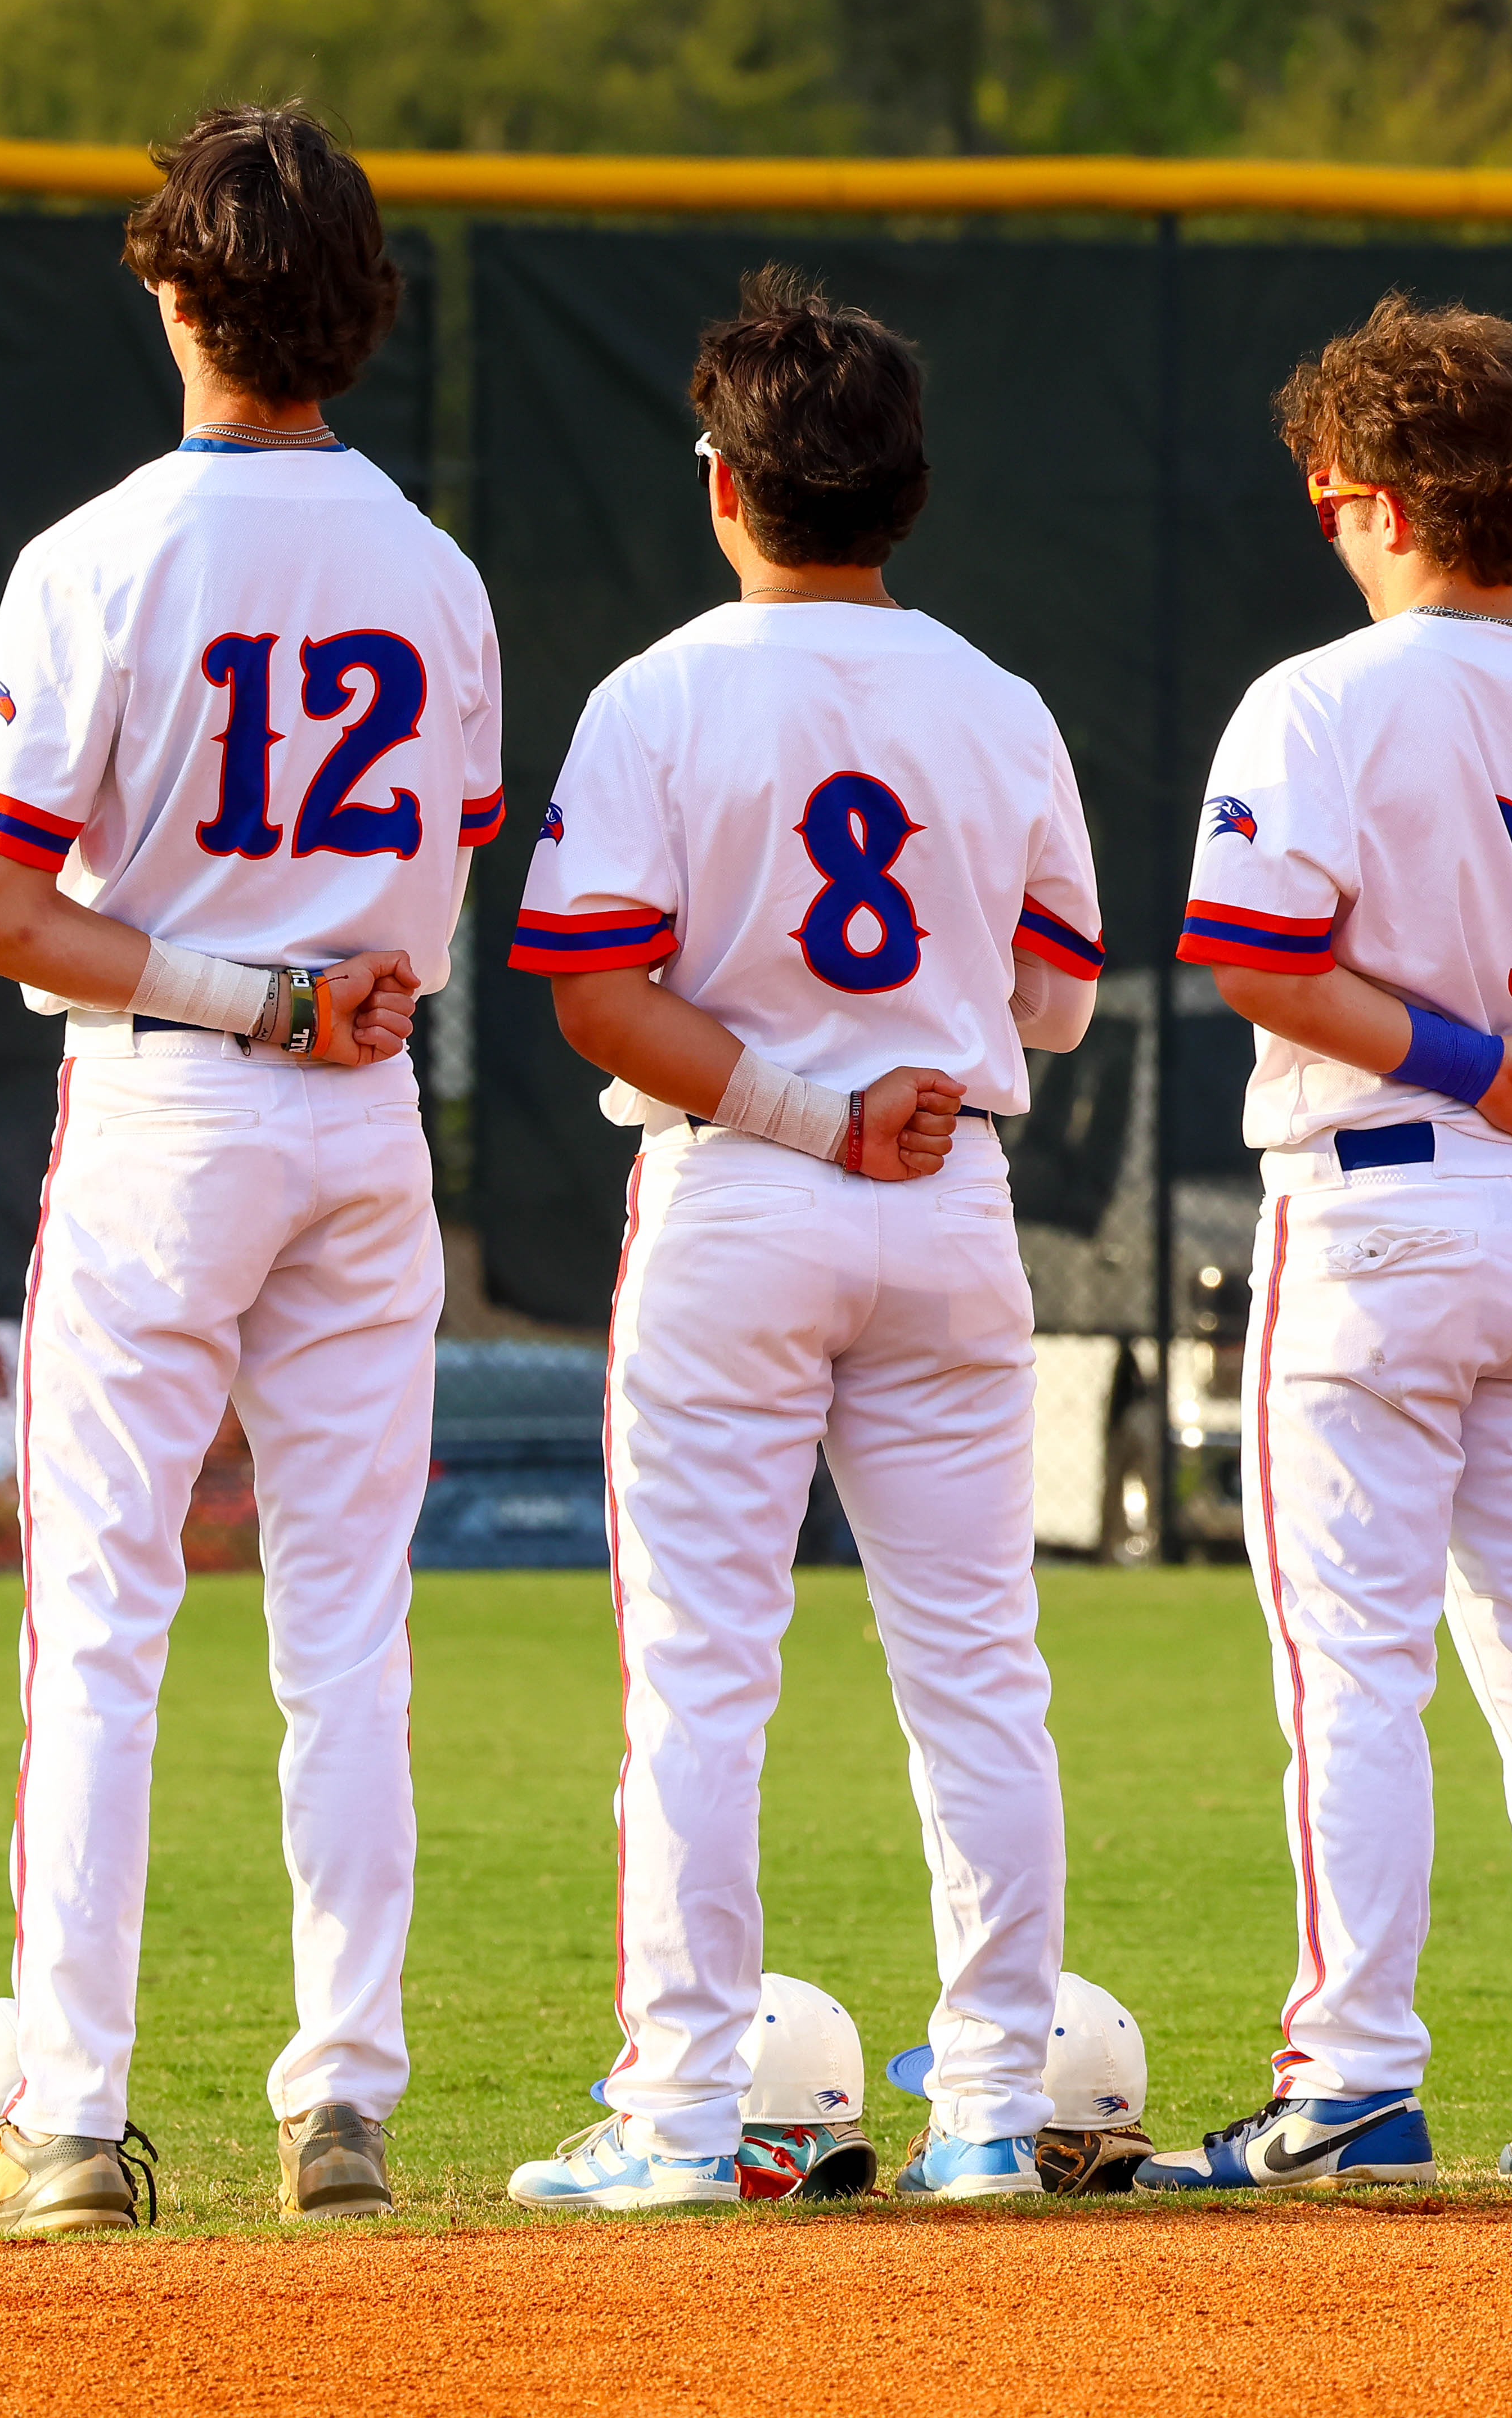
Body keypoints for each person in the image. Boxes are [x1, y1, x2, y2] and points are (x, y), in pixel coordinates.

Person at [0, 104, 502, 2237]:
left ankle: (65, 2116)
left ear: (174, 289)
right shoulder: (435, 567)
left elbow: (1, 912)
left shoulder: (94, 555)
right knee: (347, 1627)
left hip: (172, 1103)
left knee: (104, 1623)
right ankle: (339, 2101)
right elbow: (454, 847)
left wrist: (242, 993)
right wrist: (311, 991)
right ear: (360, 311)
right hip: (365, 1124)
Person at [501, 269, 1106, 2211]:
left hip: (742, 1199)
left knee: (698, 1676)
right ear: (905, 490)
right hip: (950, 1204)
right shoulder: (999, 700)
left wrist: (803, 1098)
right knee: (981, 1672)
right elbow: (1062, 996)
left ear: (723, 485)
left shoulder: (660, 693)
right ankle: (997, 2113)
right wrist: (898, 1066)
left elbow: (598, 997)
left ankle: (683, 2118)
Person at [1133, 292, 1512, 2193]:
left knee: (1352, 1669)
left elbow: (1244, 955)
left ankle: (1356, 2077)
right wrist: (1506, 1057)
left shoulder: (1319, 700)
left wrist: (1455, 1049)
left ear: (1357, 500)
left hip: (1376, 1209)